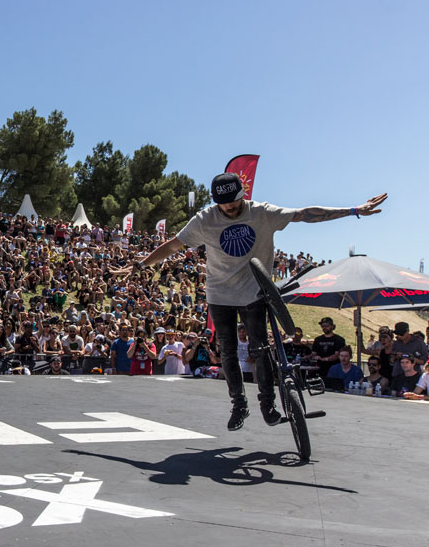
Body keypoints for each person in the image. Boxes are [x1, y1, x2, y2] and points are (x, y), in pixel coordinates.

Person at [118, 172, 386, 431]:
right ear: (214, 201)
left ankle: (268, 404)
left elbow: (305, 214)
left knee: (260, 349)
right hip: (220, 293)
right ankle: (238, 404)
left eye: (234, 200)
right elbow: (173, 245)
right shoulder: (205, 219)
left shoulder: (261, 212)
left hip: (254, 291)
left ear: (242, 195)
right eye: (224, 203)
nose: (230, 206)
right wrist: (142, 264)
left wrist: (353, 210)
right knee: (228, 350)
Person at [309, 317, 346, 383]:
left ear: (332, 326)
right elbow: (314, 352)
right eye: (323, 326)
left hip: (334, 368)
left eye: (327, 326)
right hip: (320, 368)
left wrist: (324, 359)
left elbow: (337, 355)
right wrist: (310, 356)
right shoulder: (318, 339)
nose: (324, 328)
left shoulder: (339, 340)